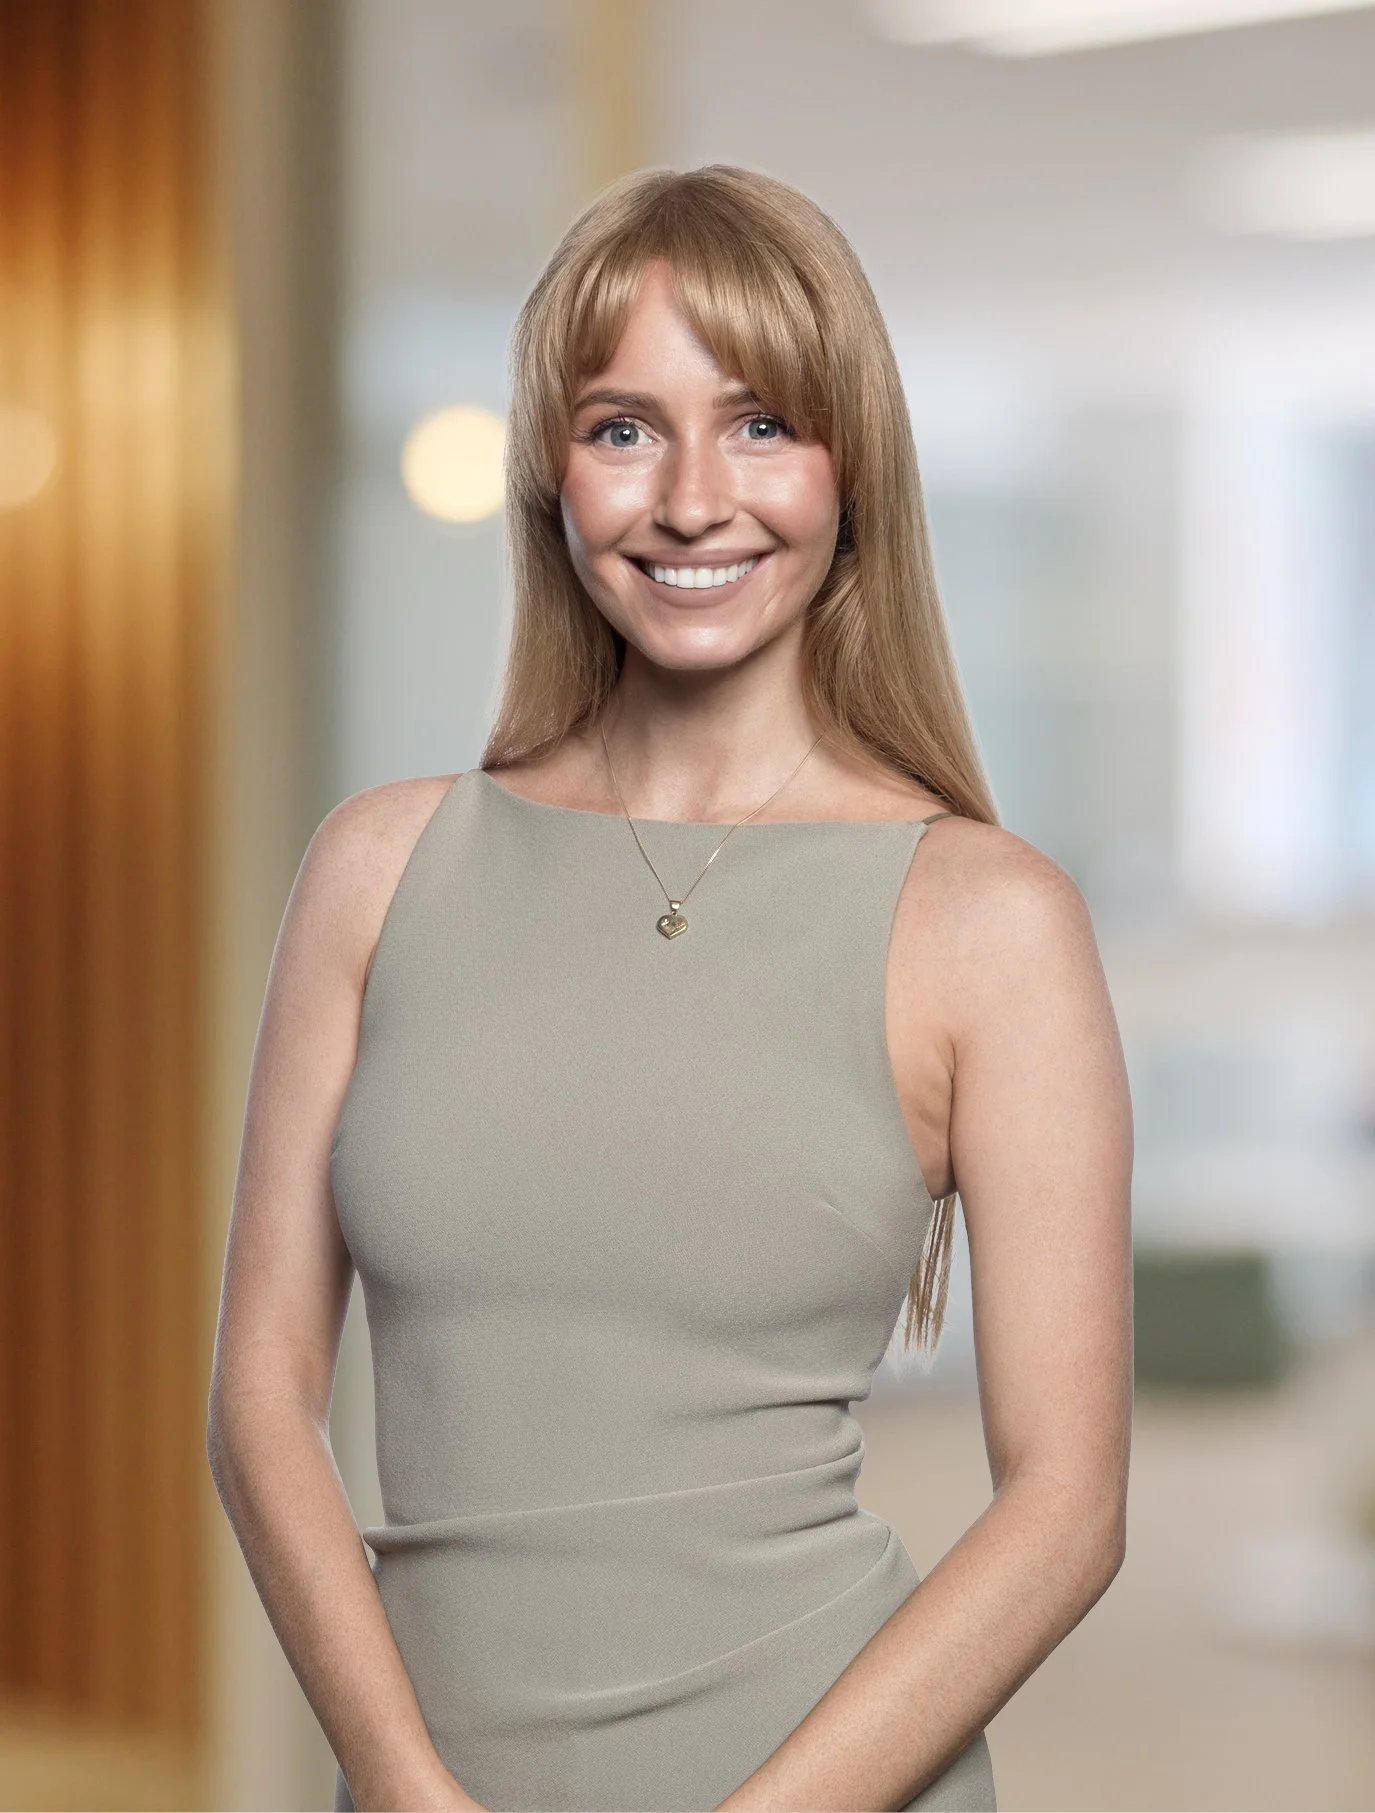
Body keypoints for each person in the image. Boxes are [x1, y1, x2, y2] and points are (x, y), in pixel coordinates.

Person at [207, 164, 1133, 1813]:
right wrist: (398, 1782)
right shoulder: (380, 868)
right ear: (549, 475)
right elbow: (263, 1402)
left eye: (762, 422)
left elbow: (1064, 1506)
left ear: (854, 472)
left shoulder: (988, 922)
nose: (693, 497)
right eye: (624, 427)